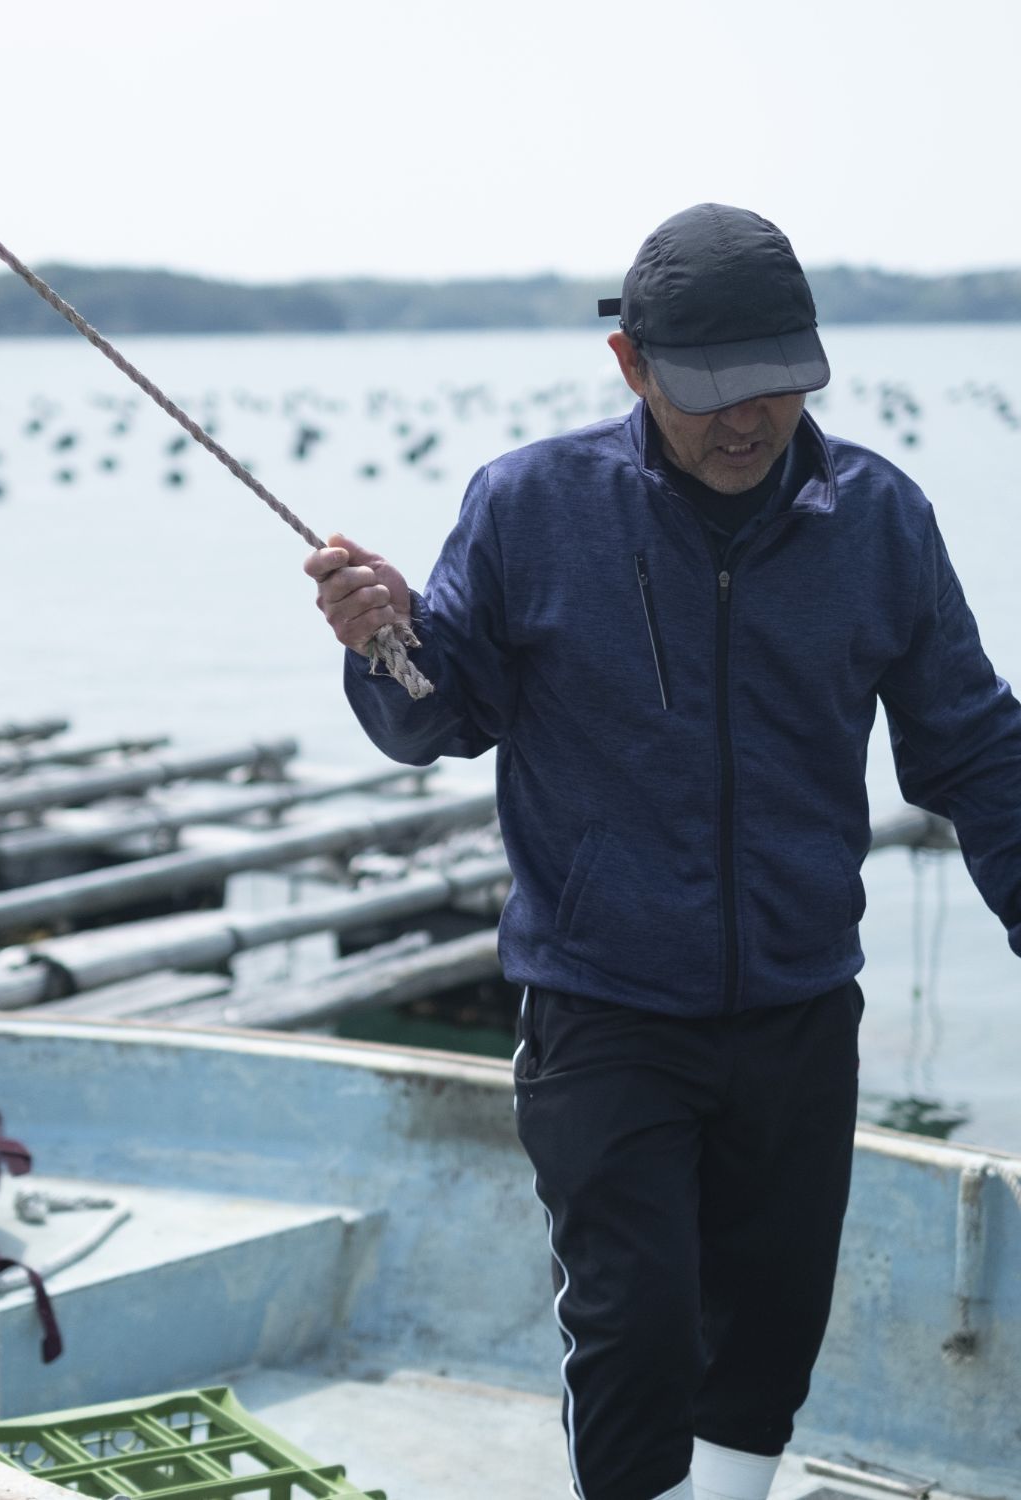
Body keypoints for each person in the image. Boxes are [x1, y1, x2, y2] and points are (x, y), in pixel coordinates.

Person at [304, 203, 1021, 1500]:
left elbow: (974, 748)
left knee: (767, 1331)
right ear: (631, 365)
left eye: (779, 386)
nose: (748, 418)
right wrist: (380, 643)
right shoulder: (532, 504)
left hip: (802, 1005)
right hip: (605, 1004)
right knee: (633, 1329)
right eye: (709, 390)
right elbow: (439, 714)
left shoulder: (881, 519)